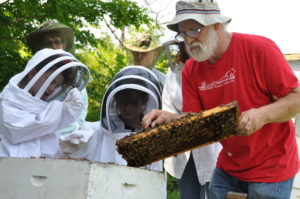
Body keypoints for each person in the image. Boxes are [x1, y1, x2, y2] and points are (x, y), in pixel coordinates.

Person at [142, 0, 300, 198]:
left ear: (216, 25)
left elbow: (296, 99)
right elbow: (197, 123)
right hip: (229, 167)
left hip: (271, 168)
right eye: (183, 33)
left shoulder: (260, 49)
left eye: (194, 30)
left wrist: (261, 115)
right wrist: (170, 118)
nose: (188, 40)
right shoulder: (191, 69)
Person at [59, 66, 163, 171]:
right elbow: (66, 148)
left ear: (144, 100)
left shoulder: (153, 133)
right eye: (122, 103)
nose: (127, 108)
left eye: (133, 103)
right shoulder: (98, 129)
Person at [0, 48, 90, 158]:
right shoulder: (10, 98)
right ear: (33, 73)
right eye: (51, 81)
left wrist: (68, 145)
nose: (52, 89)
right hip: (10, 167)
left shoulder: (44, 106)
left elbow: (49, 145)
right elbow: (19, 129)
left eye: (57, 85)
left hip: (40, 168)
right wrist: (63, 113)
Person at [162, 39, 222, 199]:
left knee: (215, 193)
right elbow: (167, 108)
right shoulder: (173, 75)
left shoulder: (215, 70)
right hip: (184, 150)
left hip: (213, 149)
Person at [27, 20, 89, 136]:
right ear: (41, 46)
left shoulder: (73, 74)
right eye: (48, 43)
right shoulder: (34, 70)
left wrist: (76, 126)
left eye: (57, 42)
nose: (54, 47)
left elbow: (81, 105)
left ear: (64, 45)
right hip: (36, 133)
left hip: (67, 137)